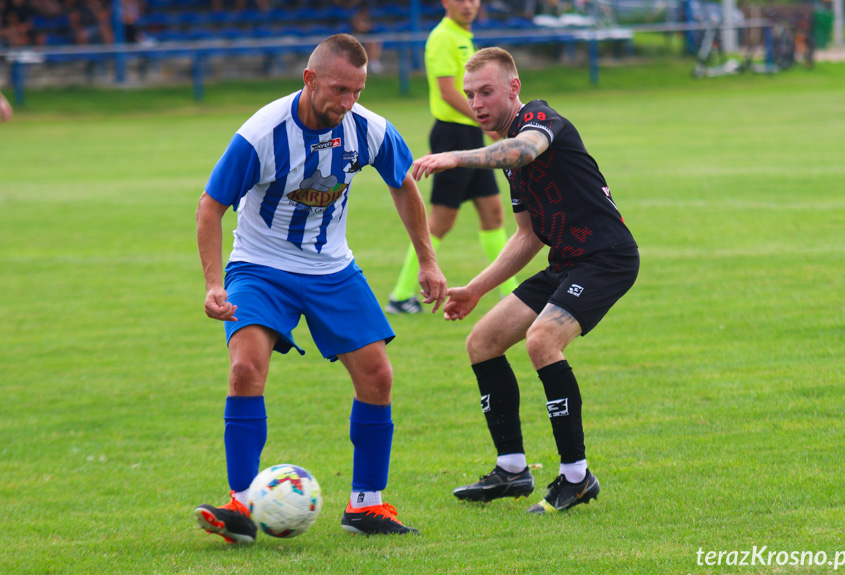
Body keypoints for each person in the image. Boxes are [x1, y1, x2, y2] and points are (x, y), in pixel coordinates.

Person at [194, 34, 447, 542]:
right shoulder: (262, 134)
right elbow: (210, 206)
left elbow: (404, 184)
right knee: (246, 367)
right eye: (339, 89)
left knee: (377, 375)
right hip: (261, 266)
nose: (348, 102)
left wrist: (427, 260)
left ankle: (367, 505)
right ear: (309, 80)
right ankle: (240, 505)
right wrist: (213, 283)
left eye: (357, 90)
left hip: (332, 268)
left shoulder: (369, 129)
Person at [412, 47, 639, 514]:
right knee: (483, 341)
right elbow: (528, 236)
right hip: (567, 262)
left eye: (487, 92)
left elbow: (525, 148)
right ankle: (512, 468)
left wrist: (457, 156)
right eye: (470, 94)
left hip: (606, 257)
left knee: (541, 341)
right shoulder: (510, 161)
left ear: (513, 88)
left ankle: (576, 476)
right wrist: (475, 288)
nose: (476, 103)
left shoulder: (538, 121)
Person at [386, 0, 517, 315]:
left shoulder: (462, 35)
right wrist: (485, 122)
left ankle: (510, 293)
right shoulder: (443, 37)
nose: (468, 5)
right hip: (453, 135)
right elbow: (448, 92)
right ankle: (401, 296)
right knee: (442, 221)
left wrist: (481, 127)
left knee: (493, 214)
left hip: (468, 133)